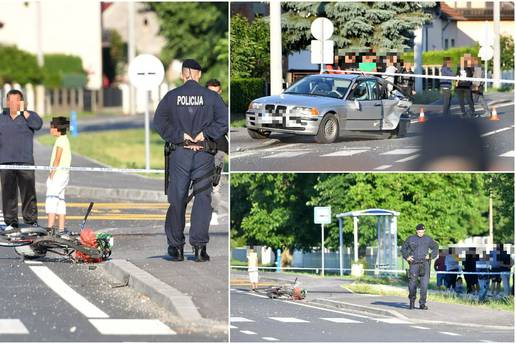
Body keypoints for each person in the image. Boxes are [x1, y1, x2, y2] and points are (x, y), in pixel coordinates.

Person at [153, 59, 228, 262]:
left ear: (183, 74)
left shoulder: (171, 97)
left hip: (179, 155)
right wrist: (205, 134)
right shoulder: (211, 97)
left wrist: (181, 136)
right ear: (199, 75)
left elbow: (159, 122)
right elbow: (224, 121)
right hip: (204, 154)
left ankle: (176, 248)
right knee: (203, 199)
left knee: (177, 200)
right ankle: (200, 249)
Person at [0, 89, 43, 228]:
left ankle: (31, 221)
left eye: (17, 100)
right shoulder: (2, 118)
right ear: (7, 102)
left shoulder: (30, 116)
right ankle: (11, 222)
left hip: (25, 162)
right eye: (11, 101)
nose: (14, 103)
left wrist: (24, 111)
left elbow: (38, 125)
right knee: (8, 194)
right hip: (6, 163)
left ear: (21, 102)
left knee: (28, 193)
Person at [401, 224, 439, 310]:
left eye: (422, 232)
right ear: (416, 231)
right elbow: (403, 248)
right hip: (414, 264)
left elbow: (436, 247)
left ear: (424, 231)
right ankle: (412, 301)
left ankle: (422, 303)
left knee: (424, 285)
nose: (420, 233)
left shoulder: (428, 239)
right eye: (419, 232)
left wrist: (430, 256)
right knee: (412, 284)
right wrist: (407, 257)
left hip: (425, 264)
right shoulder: (411, 238)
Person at [46, 117, 71, 231]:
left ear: (58, 129)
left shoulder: (60, 141)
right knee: (60, 200)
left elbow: (57, 158)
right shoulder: (64, 139)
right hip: (64, 174)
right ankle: (61, 229)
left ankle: (50, 228)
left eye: (52, 127)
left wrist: (52, 172)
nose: (50, 130)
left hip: (58, 174)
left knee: (51, 199)